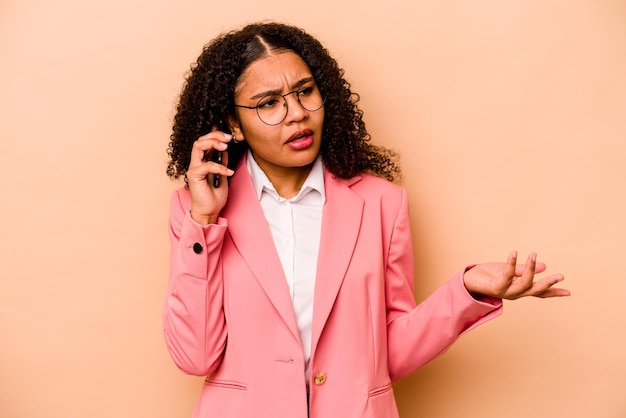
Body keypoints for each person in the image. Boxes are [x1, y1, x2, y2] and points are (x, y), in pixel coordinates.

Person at [163, 22, 570, 418]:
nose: (297, 114)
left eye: (306, 92)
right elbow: (195, 356)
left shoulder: (381, 204)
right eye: (269, 103)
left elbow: (384, 356)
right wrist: (204, 219)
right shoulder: (196, 212)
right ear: (233, 123)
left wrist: (464, 292)